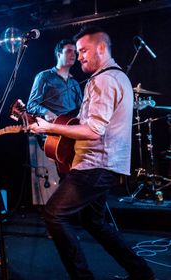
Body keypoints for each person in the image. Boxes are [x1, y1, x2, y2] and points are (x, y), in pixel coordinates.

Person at [29, 26, 156, 280]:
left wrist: (49, 126)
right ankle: (141, 272)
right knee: (94, 222)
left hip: (95, 165)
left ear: (101, 48)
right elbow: (89, 121)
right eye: (76, 52)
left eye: (83, 50)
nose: (80, 57)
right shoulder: (115, 76)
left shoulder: (104, 80)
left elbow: (94, 131)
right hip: (104, 164)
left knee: (53, 214)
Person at [27, 39, 82, 181]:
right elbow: (31, 104)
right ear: (58, 54)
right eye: (69, 51)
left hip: (73, 133)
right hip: (54, 134)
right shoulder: (44, 76)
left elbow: (82, 109)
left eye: (75, 52)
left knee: (76, 174)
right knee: (67, 174)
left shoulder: (75, 83)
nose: (74, 54)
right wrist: (46, 112)